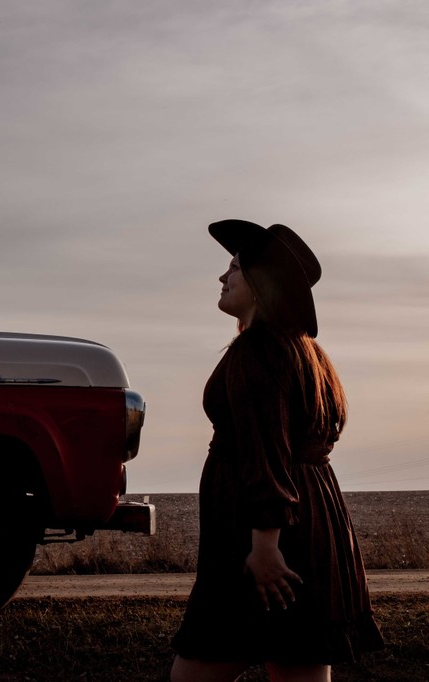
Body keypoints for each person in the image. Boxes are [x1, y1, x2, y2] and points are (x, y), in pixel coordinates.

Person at [170, 220, 384, 682]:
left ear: (261, 284)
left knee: (197, 671)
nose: (222, 278)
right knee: (298, 666)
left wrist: (264, 547)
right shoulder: (305, 353)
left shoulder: (257, 353)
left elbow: (267, 452)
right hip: (310, 527)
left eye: (234, 268)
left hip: (263, 542)